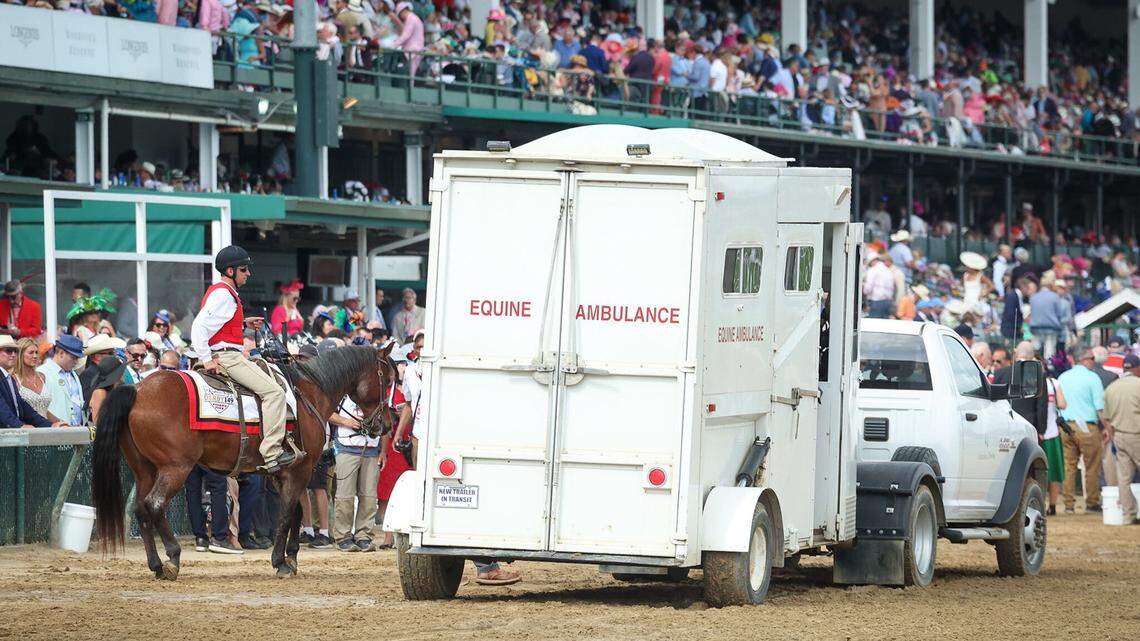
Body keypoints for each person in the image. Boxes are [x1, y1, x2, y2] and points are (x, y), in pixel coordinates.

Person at [192, 246, 295, 474]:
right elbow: (199, 327)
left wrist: (242, 324)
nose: (248, 273)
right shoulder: (223, 295)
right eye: (243, 269)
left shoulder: (223, 293)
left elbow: (218, 327)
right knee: (275, 393)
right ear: (230, 271)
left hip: (227, 351)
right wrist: (206, 359)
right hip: (228, 356)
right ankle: (272, 453)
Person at [1056, 348, 1113, 514]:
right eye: (1092, 358)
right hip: (1088, 426)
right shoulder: (1092, 377)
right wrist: (1108, 428)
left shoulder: (1063, 377)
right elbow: (1100, 408)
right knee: (1092, 466)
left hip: (1066, 425)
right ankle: (1092, 502)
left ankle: (1068, 504)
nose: (1094, 361)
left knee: (1069, 466)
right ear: (1087, 360)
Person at [330, 388, 381, 552]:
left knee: (369, 496)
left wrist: (383, 450)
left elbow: (385, 422)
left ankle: (363, 534)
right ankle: (343, 535)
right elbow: (327, 412)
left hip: (371, 448)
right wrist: (347, 422)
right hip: (346, 446)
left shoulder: (376, 393)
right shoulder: (342, 393)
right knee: (345, 495)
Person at [1104, 354, 1140, 525]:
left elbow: (1107, 417)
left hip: (1118, 435)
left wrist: (1112, 435)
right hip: (1137, 434)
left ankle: (1128, 515)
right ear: (1137, 368)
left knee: (1124, 478)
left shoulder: (1112, 388)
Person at [0, 336, 59, 428]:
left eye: (15, 351)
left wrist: (52, 425)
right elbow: (2, 409)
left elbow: (25, 408)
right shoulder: (13, 378)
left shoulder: (8, 378)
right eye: (8, 351)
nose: (13, 354)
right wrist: (20, 425)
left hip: (25, 433)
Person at [185, 464, 234, 553]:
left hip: (188, 455)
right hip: (207, 456)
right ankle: (219, 538)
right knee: (218, 484)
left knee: (192, 489)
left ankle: (200, 538)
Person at [37, 335, 85, 426]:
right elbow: (39, 406)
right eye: (73, 357)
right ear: (61, 353)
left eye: (77, 358)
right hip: (54, 431)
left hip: (76, 430)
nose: (76, 361)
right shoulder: (42, 372)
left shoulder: (74, 374)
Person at [1029, 276, 1067, 361]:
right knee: (1049, 350)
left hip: (1036, 327)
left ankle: (1035, 364)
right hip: (1051, 327)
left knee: (1036, 348)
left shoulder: (1034, 297)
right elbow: (1059, 313)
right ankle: (1049, 367)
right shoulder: (1055, 297)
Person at [1001, 277, 1036, 341]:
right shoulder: (1012, 296)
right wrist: (1019, 325)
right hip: (1010, 331)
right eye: (1027, 287)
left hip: (1014, 331)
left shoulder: (1018, 296)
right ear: (1023, 287)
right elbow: (1010, 314)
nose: (1028, 290)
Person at [862, 254, 894, 319]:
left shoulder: (872, 270)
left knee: (874, 324)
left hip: (876, 301)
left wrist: (864, 292)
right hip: (887, 301)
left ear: (872, 262)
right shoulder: (888, 270)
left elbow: (868, 288)